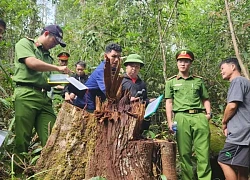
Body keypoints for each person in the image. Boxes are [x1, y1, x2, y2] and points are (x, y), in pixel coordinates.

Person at [12, 24, 70, 156]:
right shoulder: (25, 43)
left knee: (53, 135)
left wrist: (69, 80)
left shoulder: (48, 57)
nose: (55, 45)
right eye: (54, 41)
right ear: (46, 34)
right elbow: (31, 63)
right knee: (23, 137)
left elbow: (49, 79)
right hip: (27, 94)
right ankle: (18, 173)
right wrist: (57, 68)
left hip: (44, 98)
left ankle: (50, 170)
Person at [165, 49, 212, 180]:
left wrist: (208, 114)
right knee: (184, 154)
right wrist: (170, 122)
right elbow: (169, 102)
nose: (183, 64)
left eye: (186, 61)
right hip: (181, 117)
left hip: (199, 116)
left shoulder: (198, 81)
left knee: (203, 153)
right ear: (176, 63)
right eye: (180, 61)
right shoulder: (171, 82)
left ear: (190, 63)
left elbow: (205, 98)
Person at [217, 57, 250, 180]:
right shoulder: (246, 82)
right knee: (242, 167)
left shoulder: (237, 81)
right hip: (246, 133)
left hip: (240, 134)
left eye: (222, 68)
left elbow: (232, 106)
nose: (221, 72)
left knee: (223, 160)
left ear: (233, 67)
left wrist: (224, 122)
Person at [74, 43, 122, 112]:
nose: (117, 60)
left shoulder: (112, 69)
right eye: (114, 56)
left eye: (119, 57)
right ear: (105, 56)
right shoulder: (102, 70)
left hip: (95, 102)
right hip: (86, 104)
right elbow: (107, 92)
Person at [121, 54, 155, 132]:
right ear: (126, 66)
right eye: (132, 66)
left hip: (140, 117)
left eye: (137, 67)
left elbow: (144, 98)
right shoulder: (121, 81)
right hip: (125, 117)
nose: (134, 69)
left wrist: (149, 101)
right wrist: (128, 99)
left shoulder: (141, 83)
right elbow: (115, 100)